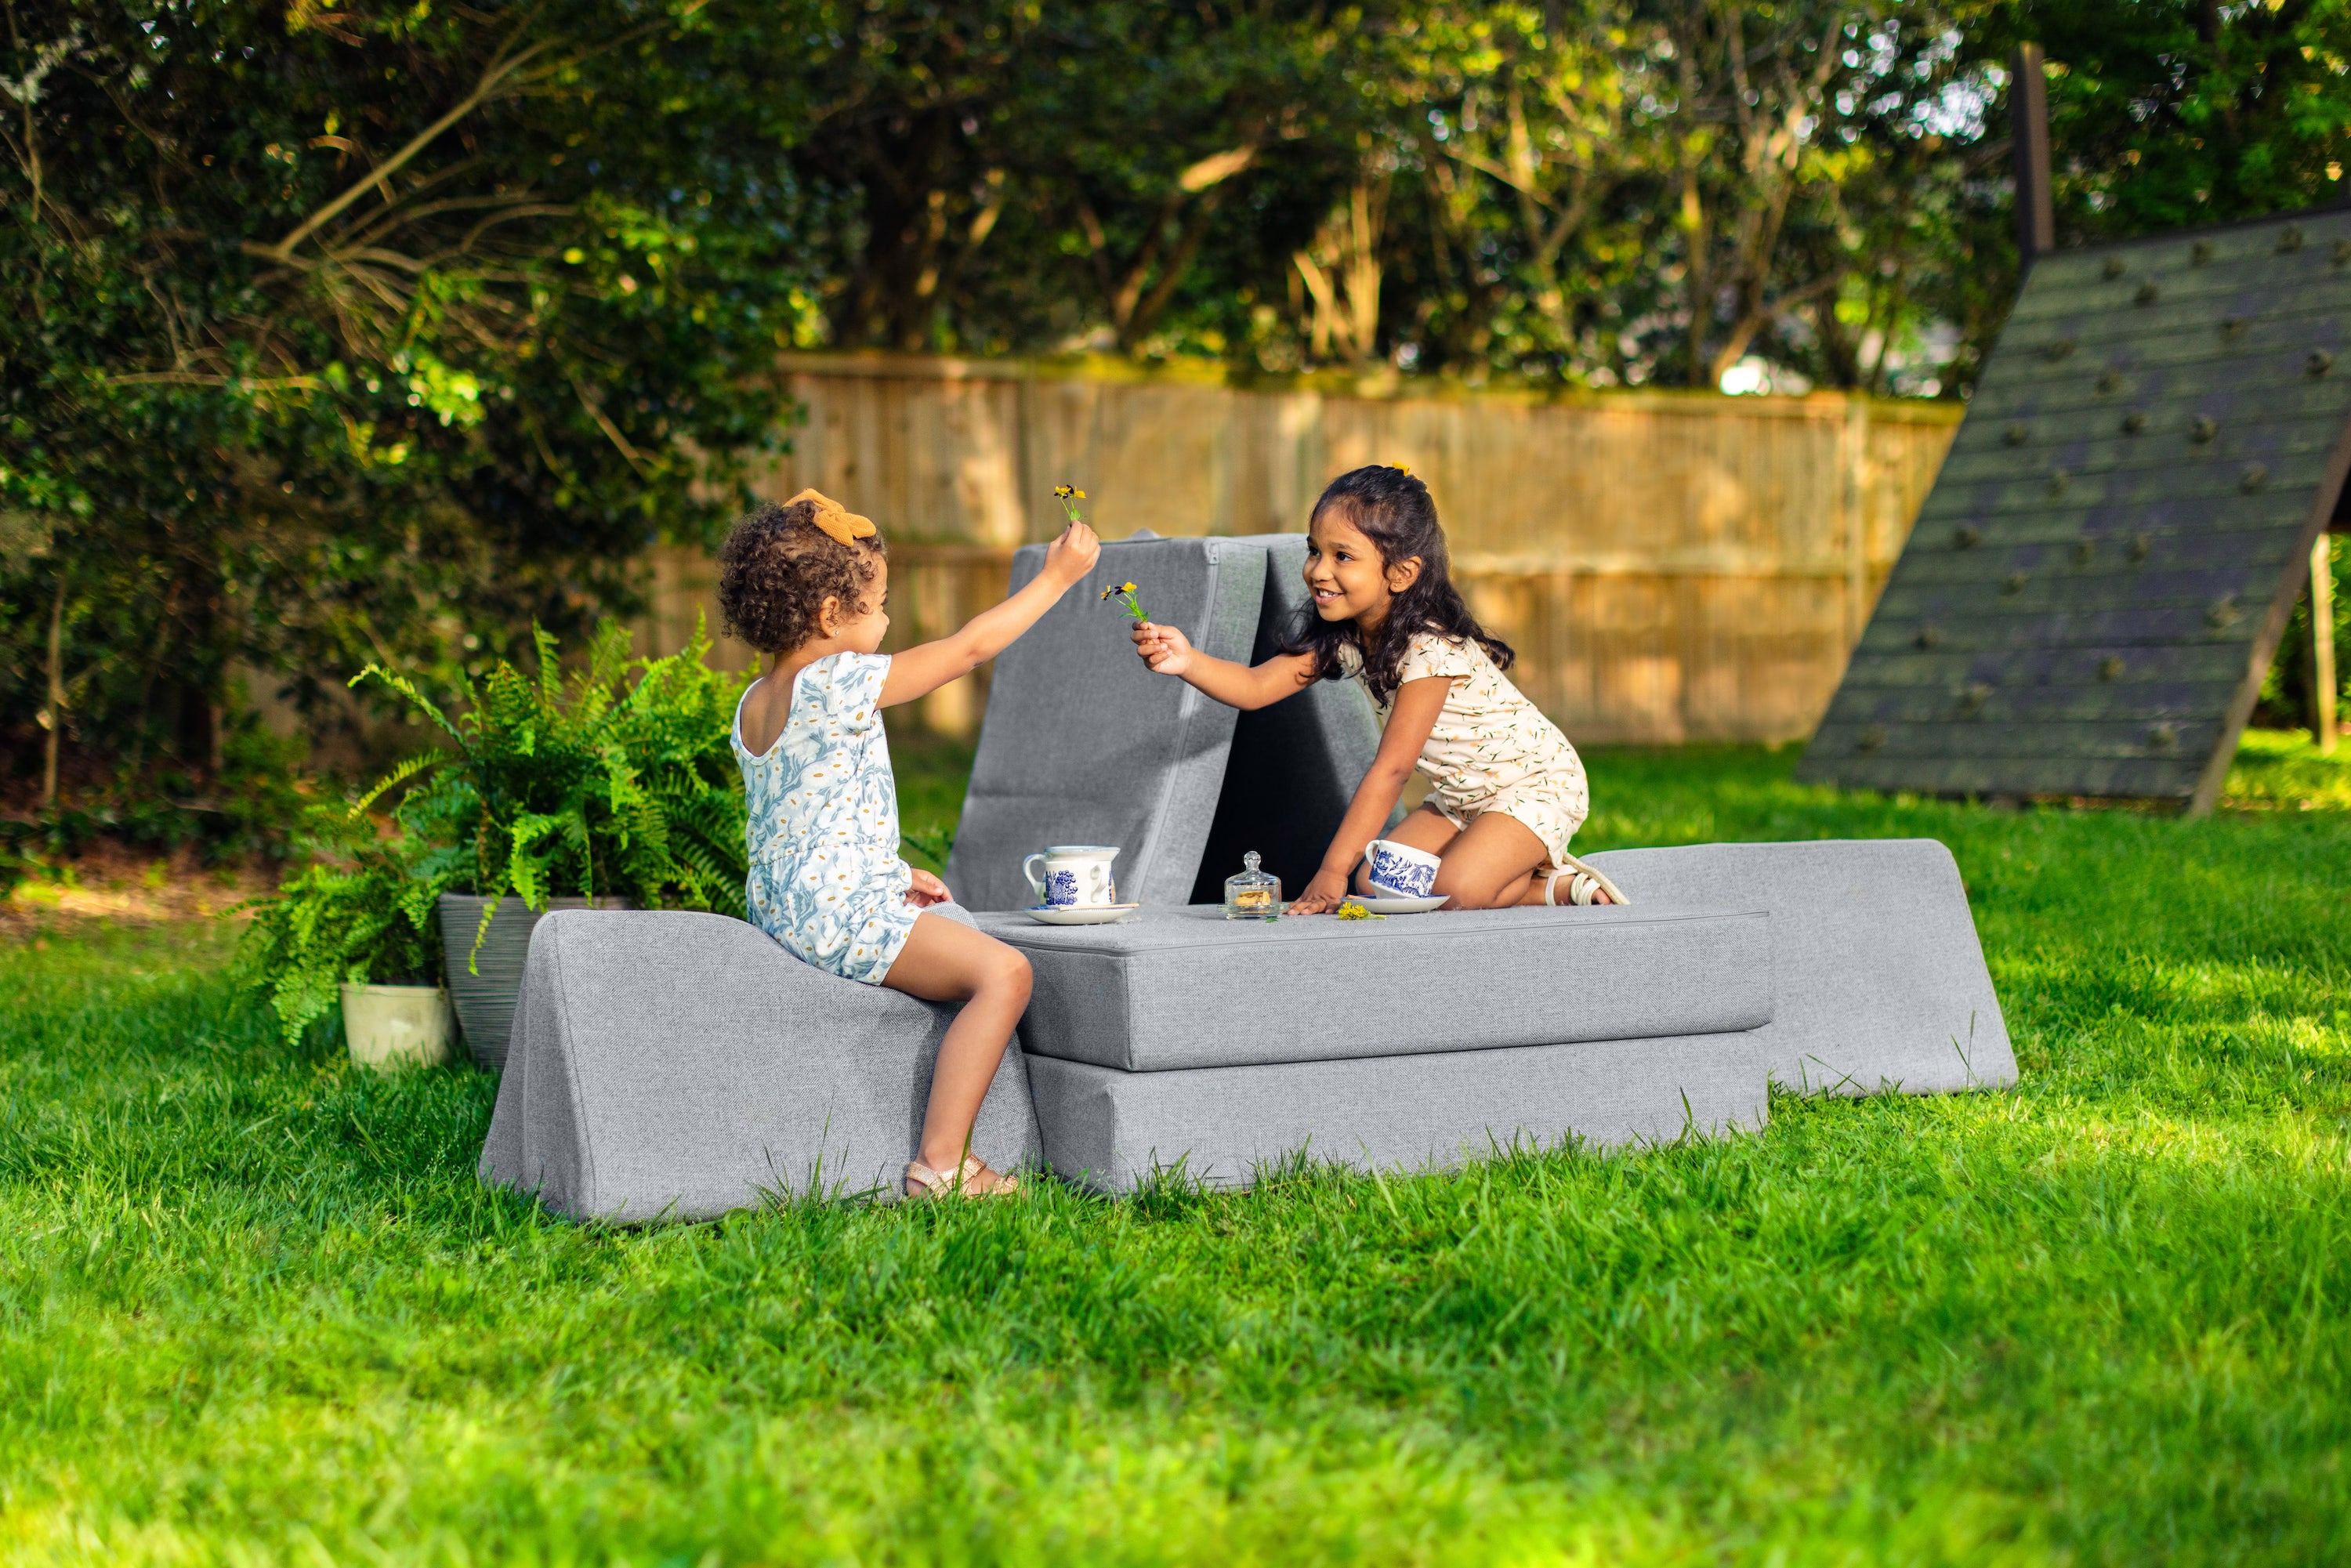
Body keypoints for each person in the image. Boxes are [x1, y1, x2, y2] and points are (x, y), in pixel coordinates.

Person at [719, 488, 1101, 1198]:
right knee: (1006, 973)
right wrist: (1057, 578)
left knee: (977, 952)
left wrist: (891, 870)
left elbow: (802, 817)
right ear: (832, 615)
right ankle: (942, 1163)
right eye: (881, 603)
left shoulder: (755, 701)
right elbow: (968, 649)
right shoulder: (836, 681)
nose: (889, 618)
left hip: (787, 909)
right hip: (839, 919)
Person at [1132, 464, 1623, 914]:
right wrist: (1188, 660)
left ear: (1401, 573)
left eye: (1342, 556)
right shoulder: (1347, 636)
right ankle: (1506, 863)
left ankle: (1552, 886)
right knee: (1375, 883)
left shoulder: (1430, 649)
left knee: (1455, 891)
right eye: (1314, 550)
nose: (1319, 570)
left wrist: (1330, 870)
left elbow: (1390, 772)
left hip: (1533, 785)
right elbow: (1256, 686)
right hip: (1461, 800)